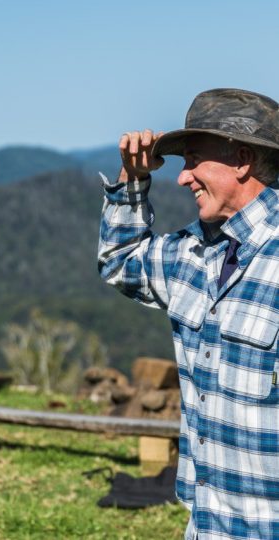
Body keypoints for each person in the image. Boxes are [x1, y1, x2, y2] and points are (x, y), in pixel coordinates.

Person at [97, 88, 279, 540]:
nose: (183, 178)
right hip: (206, 525)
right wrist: (132, 184)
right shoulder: (191, 254)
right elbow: (120, 262)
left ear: (241, 160)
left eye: (193, 160)